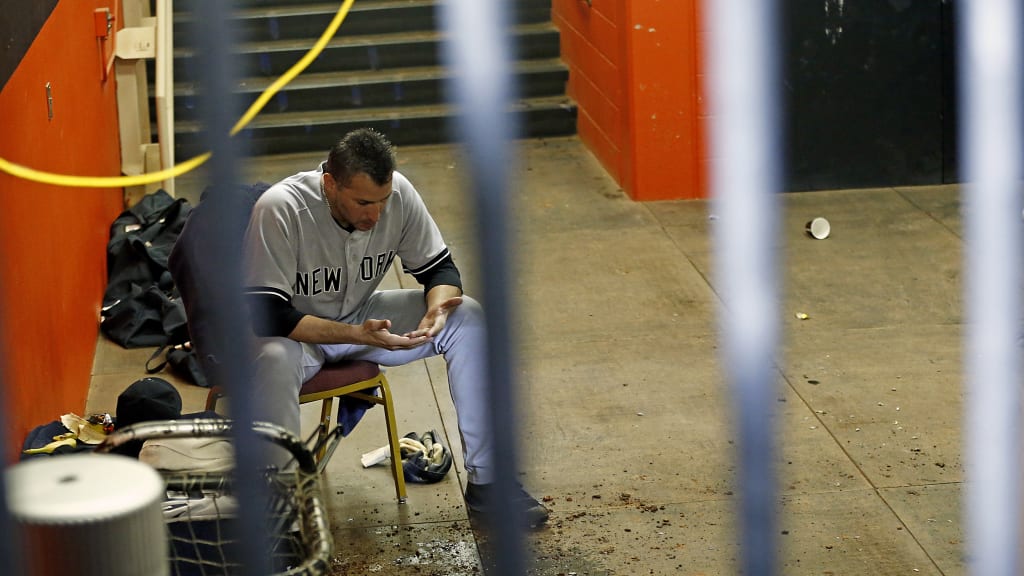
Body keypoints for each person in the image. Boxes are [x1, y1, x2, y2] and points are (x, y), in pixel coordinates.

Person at [242, 128, 548, 526]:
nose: (376, 214)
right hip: (296, 335)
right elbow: (268, 314)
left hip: (362, 315)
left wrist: (437, 308)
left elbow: (440, 267)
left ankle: (489, 484)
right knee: (273, 357)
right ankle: (277, 508)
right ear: (330, 184)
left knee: (467, 317)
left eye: (383, 201)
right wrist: (356, 335)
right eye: (364, 202)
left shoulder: (398, 193)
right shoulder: (281, 207)